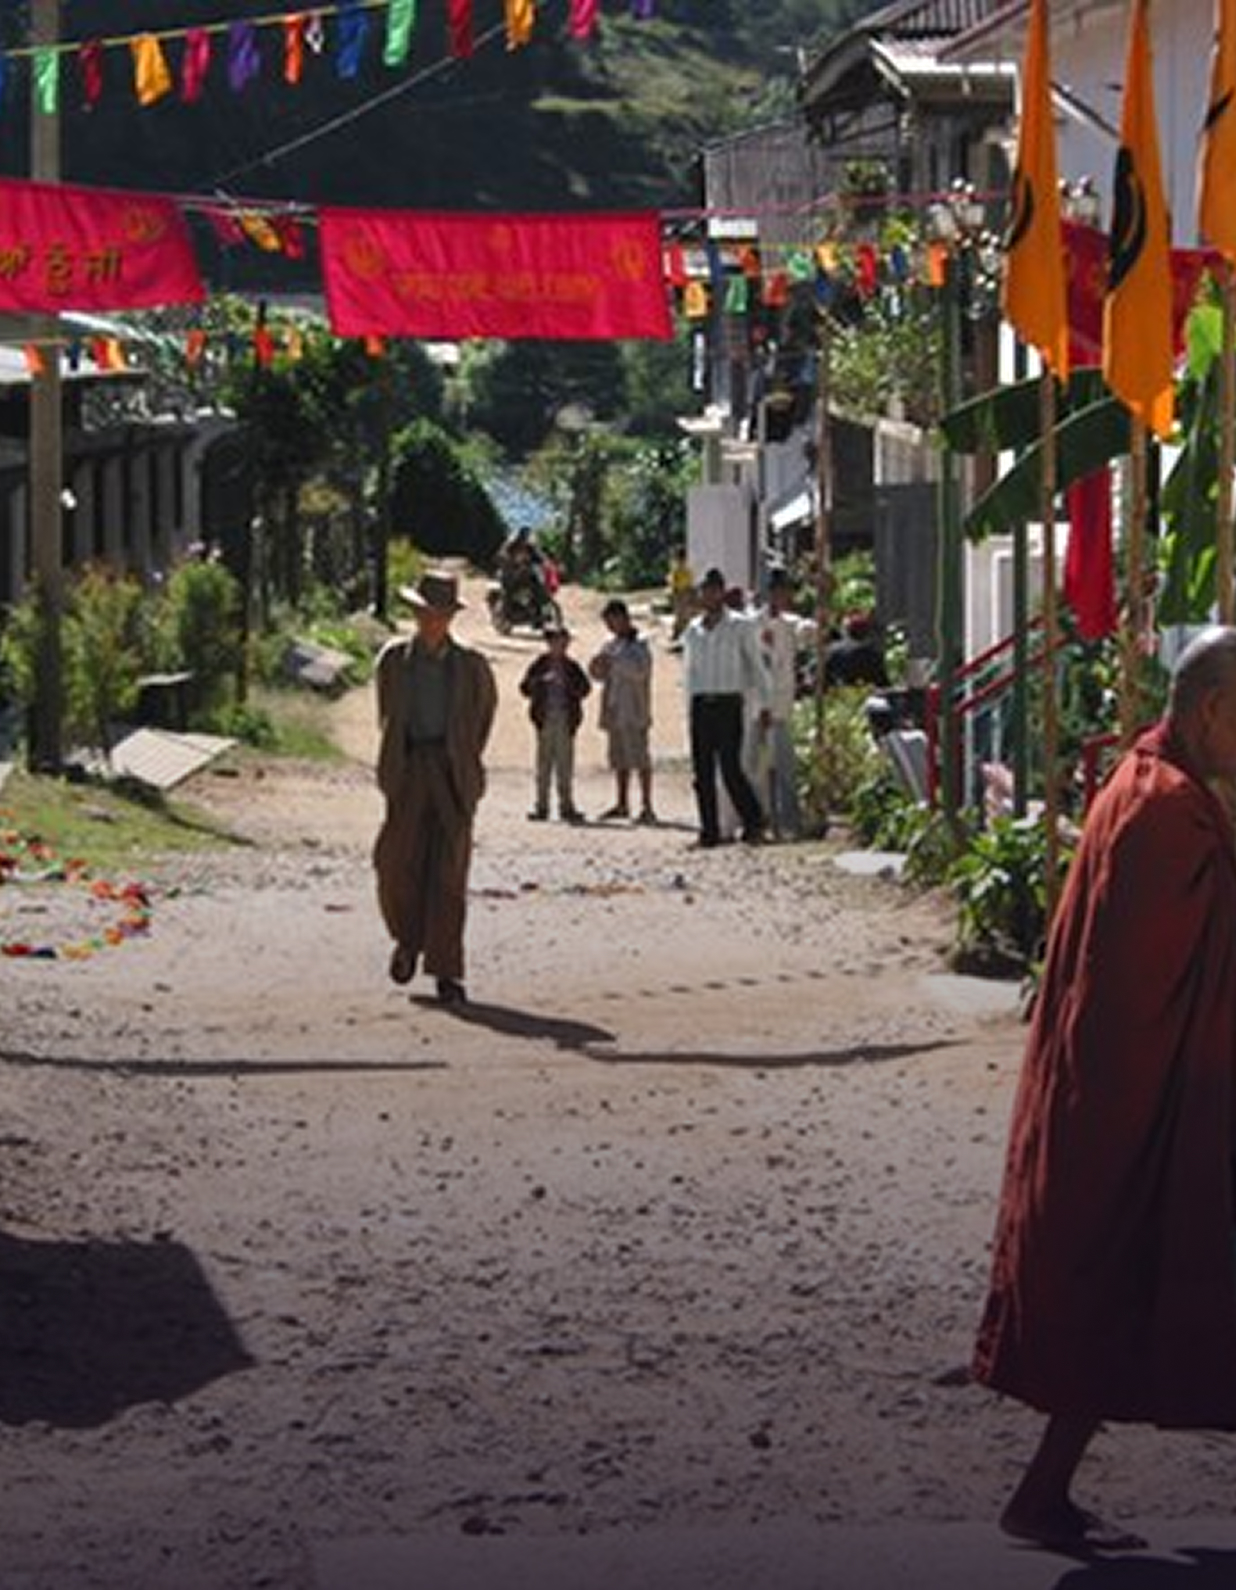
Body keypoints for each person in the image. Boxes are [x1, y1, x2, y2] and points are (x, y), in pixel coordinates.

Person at [972, 625, 1236, 1552]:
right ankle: (1039, 1495)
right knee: (1125, 1281)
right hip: (1149, 1092)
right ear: (1214, 711)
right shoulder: (1168, 812)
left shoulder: (1149, 781)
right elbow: (1176, 960)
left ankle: (1042, 1494)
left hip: (1135, 1089)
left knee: (1124, 1288)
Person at [373, 569, 497, 1006]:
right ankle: (407, 940)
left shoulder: (471, 666)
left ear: (450, 618)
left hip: (452, 773)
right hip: (409, 769)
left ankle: (447, 971)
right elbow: (386, 716)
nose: (432, 621)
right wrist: (399, 760)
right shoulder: (393, 660)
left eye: (440, 614)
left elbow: (483, 718)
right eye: (425, 613)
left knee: (449, 873)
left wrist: (462, 757)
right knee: (394, 863)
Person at [681, 566, 770, 847]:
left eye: (714, 590)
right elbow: (689, 671)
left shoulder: (740, 625)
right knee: (702, 772)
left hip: (728, 702)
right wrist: (688, 706)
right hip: (701, 703)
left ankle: (754, 821)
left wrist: (764, 703)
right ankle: (709, 831)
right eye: (705, 590)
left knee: (731, 768)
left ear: (721, 592)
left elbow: (756, 666)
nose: (709, 595)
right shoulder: (693, 630)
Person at [747, 568, 816, 840]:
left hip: (781, 704)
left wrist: (824, 600)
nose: (783, 595)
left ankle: (788, 822)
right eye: (778, 590)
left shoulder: (791, 624)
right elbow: (755, 666)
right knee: (756, 766)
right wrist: (762, 704)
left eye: (786, 590)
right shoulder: (753, 623)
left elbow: (812, 633)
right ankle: (758, 819)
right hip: (757, 705)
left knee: (785, 765)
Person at [589, 597, 656, 824]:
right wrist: (597, 666)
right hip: (614, 707)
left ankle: (647, 805)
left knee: (640, 757)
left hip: (634, 707)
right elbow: (598, 674)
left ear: (623, 618)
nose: (610, 626)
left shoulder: (640, 644)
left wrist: (615, 662)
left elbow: (640, 672)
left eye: (612, 621)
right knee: (619, 758)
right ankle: (622, 803)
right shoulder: (610, 644)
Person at [519, 623, 590, 823]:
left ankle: (566, 806)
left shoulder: (572, 667)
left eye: (563, 641)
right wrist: (541, 681)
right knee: (544, 765)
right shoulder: (540, 664)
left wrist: (568, 684)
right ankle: (541, 806)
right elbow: (524, 688)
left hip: (565, 719)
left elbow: (584, 689)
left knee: (564, 766)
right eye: (557, 641)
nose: (560, 645)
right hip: (545, 719)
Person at [824, 611, 889, 689]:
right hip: (867, 694)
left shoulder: (833, 652)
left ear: (847, 632)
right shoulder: (873, 656)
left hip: (840, 694)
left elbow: (825, 678)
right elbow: (883, 684)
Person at [667, 548, 695, 643]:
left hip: (686, 594)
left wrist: (690, 594)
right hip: (679, 594)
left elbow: (690, 584)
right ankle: (677, 633)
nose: (681, 562)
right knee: (679, 615)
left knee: (685, 615)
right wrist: (675, 595)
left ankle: (684, 633)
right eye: (679, 559)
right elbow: (673, 585)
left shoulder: (687, 571)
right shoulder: (676, 572)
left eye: (682, 559)